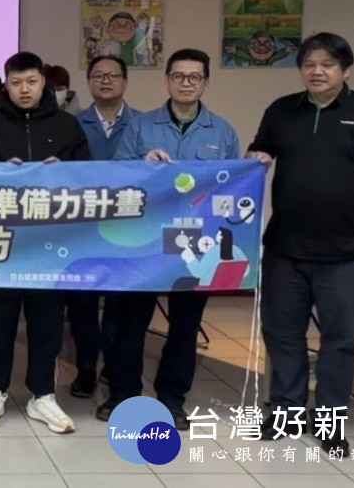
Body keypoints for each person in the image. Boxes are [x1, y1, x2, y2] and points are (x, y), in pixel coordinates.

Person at [250, 33, 354, 458]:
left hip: (346, 253)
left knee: (340, 340)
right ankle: (287, 411)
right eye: (309, 64)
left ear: (346, 69)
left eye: (328, 64)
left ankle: (330, 421)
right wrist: (257, 158)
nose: (317, 71)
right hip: (284, 249)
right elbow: (258, 157)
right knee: (282, 334)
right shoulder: (282, 110)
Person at [110, 48, 242, 426]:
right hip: (145, 241)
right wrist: (142, 164)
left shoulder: (223, 132)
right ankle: (122, 395)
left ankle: (172, 399)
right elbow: (116, 174)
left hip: (197, 245)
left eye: (194, 77)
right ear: (167, 80)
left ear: (205, 82)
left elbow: (232, 187)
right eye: (179, 76)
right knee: (131, 323)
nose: (186, 83)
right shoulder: (140, 126)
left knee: (185, 326)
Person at [0, 52, 89, 434]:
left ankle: (43, 394)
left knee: (47, 320)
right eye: (16, 83)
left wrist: (64, 174)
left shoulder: (67, 126)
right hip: (2, 239)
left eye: (31, 82)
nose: (24, 90)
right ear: (5, 84)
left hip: (51, 241)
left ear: (43, 83)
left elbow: (90, 178)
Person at [68, 55, 142, 400]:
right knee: (81, 303)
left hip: (127, 229)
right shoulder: (72, 124)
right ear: (88, 82)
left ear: (125, 81)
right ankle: (85, 367)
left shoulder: (143, 124)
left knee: (119, 304)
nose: (106, 81)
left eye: (113, 75)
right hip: (82, 227)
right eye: (98, 75)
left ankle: (113, 366)